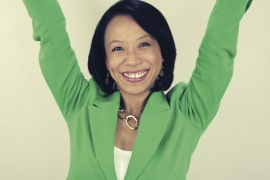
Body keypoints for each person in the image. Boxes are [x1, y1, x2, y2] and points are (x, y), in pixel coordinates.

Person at [22, 0, 252, 179]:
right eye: (118, 48)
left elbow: (218, 44)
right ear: (105, 61)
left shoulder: (187, 113)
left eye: (144, 44)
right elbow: (51, 32)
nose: (132, 60)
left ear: (163, 53)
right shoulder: (79, 103)